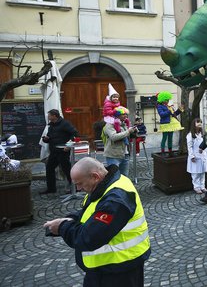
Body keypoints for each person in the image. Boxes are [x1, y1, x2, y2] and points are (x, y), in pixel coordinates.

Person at [43, 157, 150, 286]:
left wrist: (62, 227)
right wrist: (71, 219)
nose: (78, 188)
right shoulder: (107, 184)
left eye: (80, 183)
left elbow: (88, 238)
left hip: (120, 270)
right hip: (109, 268)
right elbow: (91, 212)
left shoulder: (115, 200)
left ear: (95, 176)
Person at [40, 109, 78, 195]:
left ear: (54, 116)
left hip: (63, 150)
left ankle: (75, 188)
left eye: (49, 115)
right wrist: (46, 139)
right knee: (49, 168)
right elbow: (50, 138)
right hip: (54, 151)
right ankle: (51, 188)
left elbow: (75, 133)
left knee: (67, 169)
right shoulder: (51, 125)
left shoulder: (65, 123)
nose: (48, 117)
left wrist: (68, 146)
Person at [103, 107, 137, 177]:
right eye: (123, 114)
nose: (126, 116)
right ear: (117, 115)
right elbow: (114, 137)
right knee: (114, 176)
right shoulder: (110, 124)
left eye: (126, 114)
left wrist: (134, 131)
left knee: (124, 176)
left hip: (125, 154)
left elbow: (128, 136)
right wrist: (128, 132)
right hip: (113, 155)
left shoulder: (124, 124)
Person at [186, 118, 207, 194]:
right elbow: (189, 146)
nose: (200, 124)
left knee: (202, 172)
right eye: (198, 122)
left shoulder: (202, 134)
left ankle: (202, 186)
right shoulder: (190, 135)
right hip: (195, 156)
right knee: (196, 173)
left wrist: (206, 154)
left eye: (200, 122)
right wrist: (191, 156)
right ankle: (196, 187)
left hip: (202, 156)